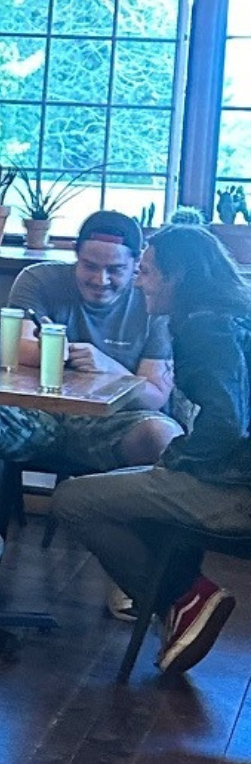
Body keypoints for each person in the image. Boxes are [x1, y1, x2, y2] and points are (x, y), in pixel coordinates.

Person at [54, 224, 251, 676]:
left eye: (145, 272)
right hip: (235, 478)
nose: (138, 282)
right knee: (137, 488)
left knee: (73, 499)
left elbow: (227, 423)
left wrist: (177, 459)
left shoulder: (205, 329)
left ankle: (183, 598)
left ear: (176, 277)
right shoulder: (233, 316)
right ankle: (183, 604)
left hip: (236, 492)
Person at [0, 209, 181, 474]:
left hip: (112, 420)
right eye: (90, 266)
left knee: (162, 435)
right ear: (76, 254)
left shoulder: (152, 300)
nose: (100, 280)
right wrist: (54, 351)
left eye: (115, 270)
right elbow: (15, 350)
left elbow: (155, 396)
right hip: (39, 410)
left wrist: (108, 368)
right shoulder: (37, 279)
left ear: (136, 262)